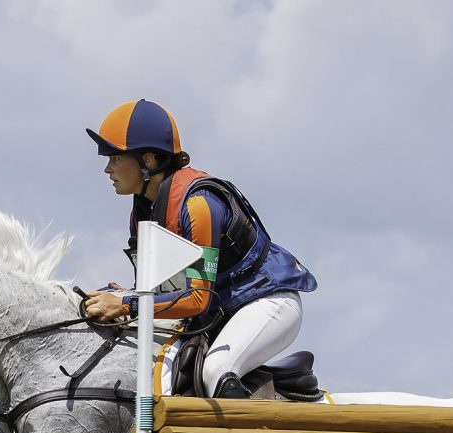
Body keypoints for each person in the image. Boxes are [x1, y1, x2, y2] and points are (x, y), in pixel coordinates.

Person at [83, 98, 317, 399]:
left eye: (115, 158)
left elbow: (197, 298)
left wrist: (127, 304)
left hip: (266, 302)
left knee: (216, 369)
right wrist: (119, 295)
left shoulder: (198, 206)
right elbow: (163, 289)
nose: (107, 169)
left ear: (149, 160)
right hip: (222, 309)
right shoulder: (144, 210)